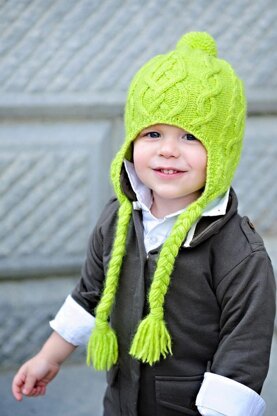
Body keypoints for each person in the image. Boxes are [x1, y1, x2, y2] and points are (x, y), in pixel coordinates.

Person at [12, 32, 276, 416]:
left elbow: (244, 350)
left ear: (221, 153)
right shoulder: (118, 220)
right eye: (153, 133)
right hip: (121, 402)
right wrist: (48, 357)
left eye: (190, 136)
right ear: (132, 141)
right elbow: (91, 293)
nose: (168, 149)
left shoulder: (239, 253)